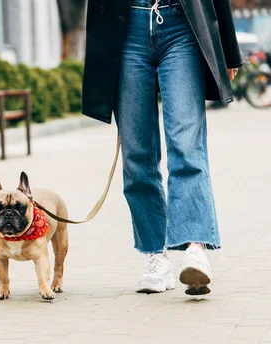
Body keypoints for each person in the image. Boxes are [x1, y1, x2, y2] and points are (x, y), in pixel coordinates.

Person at [82, 0, 242, 295]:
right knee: (136, 154)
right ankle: (157, 255)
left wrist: (228, 50)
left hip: (182, 25)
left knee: (185, 143)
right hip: (126, 28)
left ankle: (195, 246)